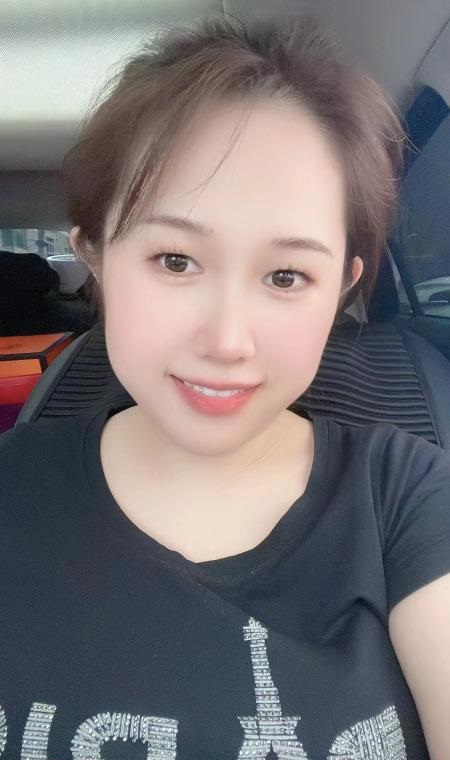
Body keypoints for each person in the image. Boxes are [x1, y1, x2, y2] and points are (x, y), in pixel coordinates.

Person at [1, 12, 449, 759]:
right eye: (176, 261)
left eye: (286, 276)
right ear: (96, 257)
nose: (227, 340)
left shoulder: (409, 498)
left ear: (342, 290)